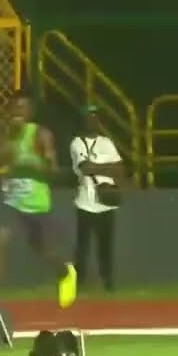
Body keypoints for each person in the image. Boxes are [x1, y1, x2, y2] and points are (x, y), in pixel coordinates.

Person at [0, 91, 78, 308]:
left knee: (43, 249)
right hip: (12, 200)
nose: (18, 112)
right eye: (15, 107)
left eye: (22, 107)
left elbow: (53, 169)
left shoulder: (40, 134)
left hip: (36, 200)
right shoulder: (10, 135)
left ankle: (66, 271)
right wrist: (1, 162)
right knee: (1, 243)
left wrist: (34, 163)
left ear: (30, 111)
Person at [69, 105, 128, 292]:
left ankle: (108, 283)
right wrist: (108, 168)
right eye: (88, 117)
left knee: (106, 246)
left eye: (95, 117)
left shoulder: (106, 142)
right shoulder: (77, 143)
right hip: (85, 202)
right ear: (83, 121)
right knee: (82, 247)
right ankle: (78, 284)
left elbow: (120, 169)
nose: (92, 121)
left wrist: (97, 167)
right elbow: (85, 168)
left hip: (106, 202)